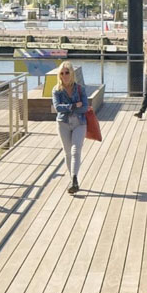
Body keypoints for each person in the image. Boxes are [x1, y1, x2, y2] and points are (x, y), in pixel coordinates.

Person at [52, 61, 90, 194]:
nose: (64, 75)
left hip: (79, 123)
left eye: (67, 72)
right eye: (62, 73)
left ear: (72, 73)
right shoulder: (56, 90)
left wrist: (68, 107)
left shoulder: (80, 89)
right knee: (67, 153)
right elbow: (57, 108)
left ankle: (74, 179)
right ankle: (72, 178)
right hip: (63, 123)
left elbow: (85, 106)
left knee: (75, 150)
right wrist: (73, 106)